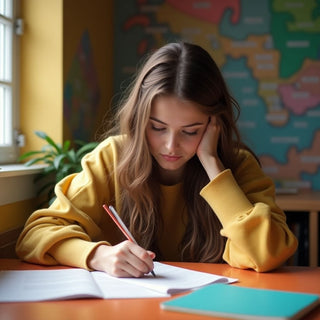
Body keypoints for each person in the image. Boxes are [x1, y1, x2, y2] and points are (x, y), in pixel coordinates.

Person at [16, 42, 297, 277]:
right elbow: (35, 235)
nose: (171, 146)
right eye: (157, 127)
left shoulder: (238, 167)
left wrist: (213, 165)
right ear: (139, 120)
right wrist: (97, 256)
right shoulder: (112, 157)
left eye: (191, 131)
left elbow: (266, 254)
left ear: (215, 125)